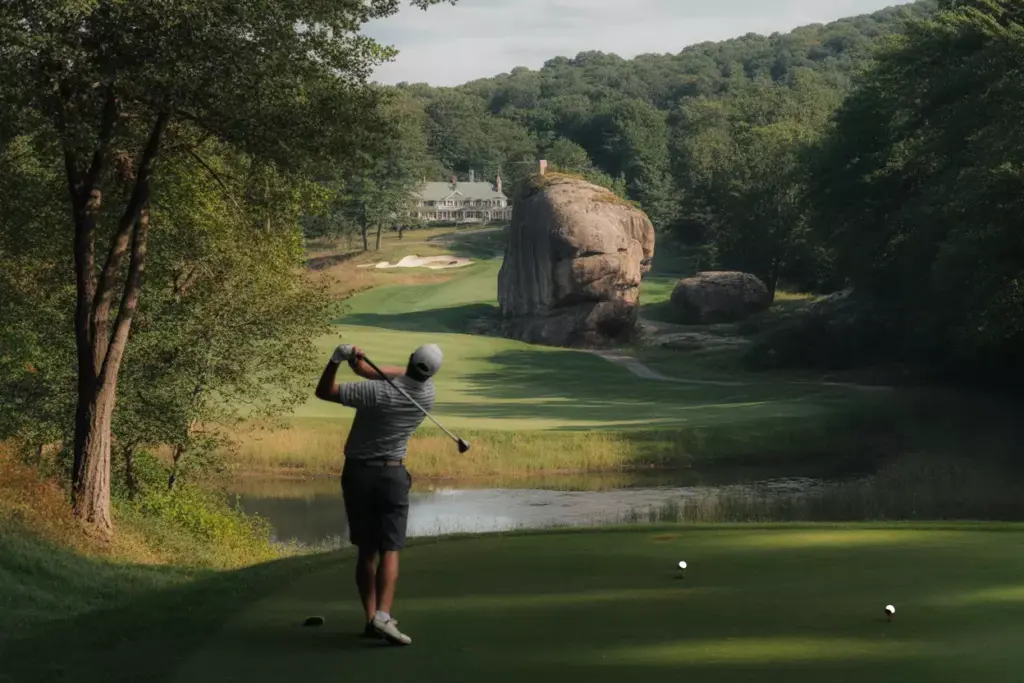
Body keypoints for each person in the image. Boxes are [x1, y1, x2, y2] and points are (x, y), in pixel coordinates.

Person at [314, 342, 442, 646]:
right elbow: (401, 374)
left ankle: (372, 617)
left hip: (359, 474)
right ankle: (383, 616)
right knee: (391, 548)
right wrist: (361, 367)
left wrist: (336, 360)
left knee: (367, 551)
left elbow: (325, 391)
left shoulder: (374, 393)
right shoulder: (428, 393)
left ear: (411, 358)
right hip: (394, 475)